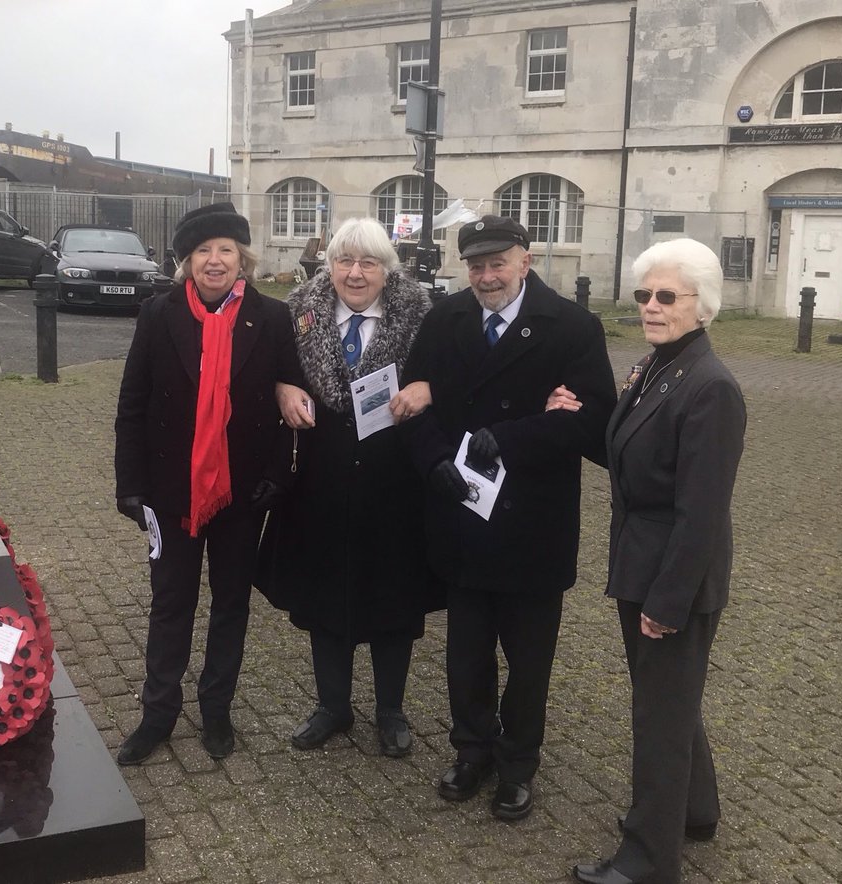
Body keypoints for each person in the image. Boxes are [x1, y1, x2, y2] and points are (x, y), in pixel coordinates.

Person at [400, 215, 616, 820]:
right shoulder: (445, 318)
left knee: (529, 660)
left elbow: (596, 419)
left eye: (498, 263)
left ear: (527, 260)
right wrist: (433, 461)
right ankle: (471, 750)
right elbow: (414, 400)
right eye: (476, 265)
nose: (486, 276)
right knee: (466, 652)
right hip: (463, 512)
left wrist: (514, 438)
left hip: (532, 522)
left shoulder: (571, 326)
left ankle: (518, 762)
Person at [570, 239, 745, 884]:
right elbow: (630, 454)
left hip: (673, 576)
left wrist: (669, 602)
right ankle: (695, 811)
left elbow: (703, 512)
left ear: (703, 305)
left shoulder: (710, 387)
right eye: (645, 294)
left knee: (659, 718)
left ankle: (648, 858)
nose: (651, 306)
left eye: (667, 296)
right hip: (640, 561)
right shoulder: (658, 366)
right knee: (669, 699)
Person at [113, 202, 303, 765]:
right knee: (171, 602)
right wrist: (130, 483)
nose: (214, 260)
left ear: (243, 259)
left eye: (225, 250)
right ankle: (158, 714)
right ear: (187, 262)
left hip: (241, 492)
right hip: (171, 490)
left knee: (231, 603)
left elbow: (289, 395)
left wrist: (277, 475)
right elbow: (132, 402)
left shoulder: (272, 317)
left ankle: (216, 708)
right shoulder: (158, 313)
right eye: (202, 251)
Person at [256, 217, 440, 758]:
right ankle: (332, 706)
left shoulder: (424, 316)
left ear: (388, 269)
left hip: (395, 481)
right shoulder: (299, 312)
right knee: (324, 593)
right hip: (322, 477)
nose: (355, 274)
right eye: (345, 261)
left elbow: (452, 372)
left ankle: (391, 710)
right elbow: (269, 367)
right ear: (329, 264)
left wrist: (429, 386)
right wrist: (282, 386)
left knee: (393, 596)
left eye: (368, 263)